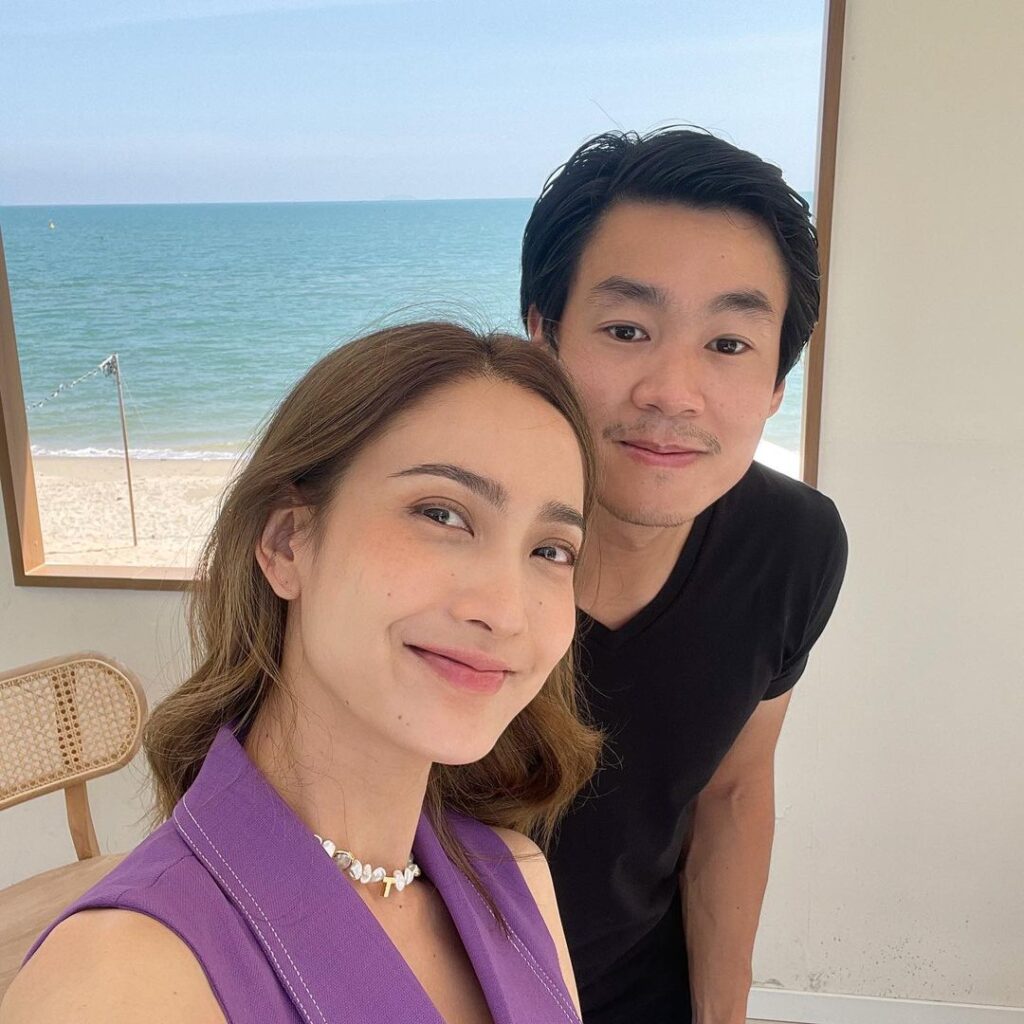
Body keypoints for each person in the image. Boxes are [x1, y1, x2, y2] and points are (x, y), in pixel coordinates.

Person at [1, 322, 604, 1024]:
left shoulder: (516, 880)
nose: (505, 612)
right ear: (287, 543)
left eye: (552, 551)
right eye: (442, 514)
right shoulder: (117, 982)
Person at [520, 128, 849, 1024]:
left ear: (777, 384)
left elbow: (733, 790)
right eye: (627, 330)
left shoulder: (792, 547)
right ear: (543, 337)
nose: (672, 391)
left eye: (729, 344)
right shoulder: (443, 555)